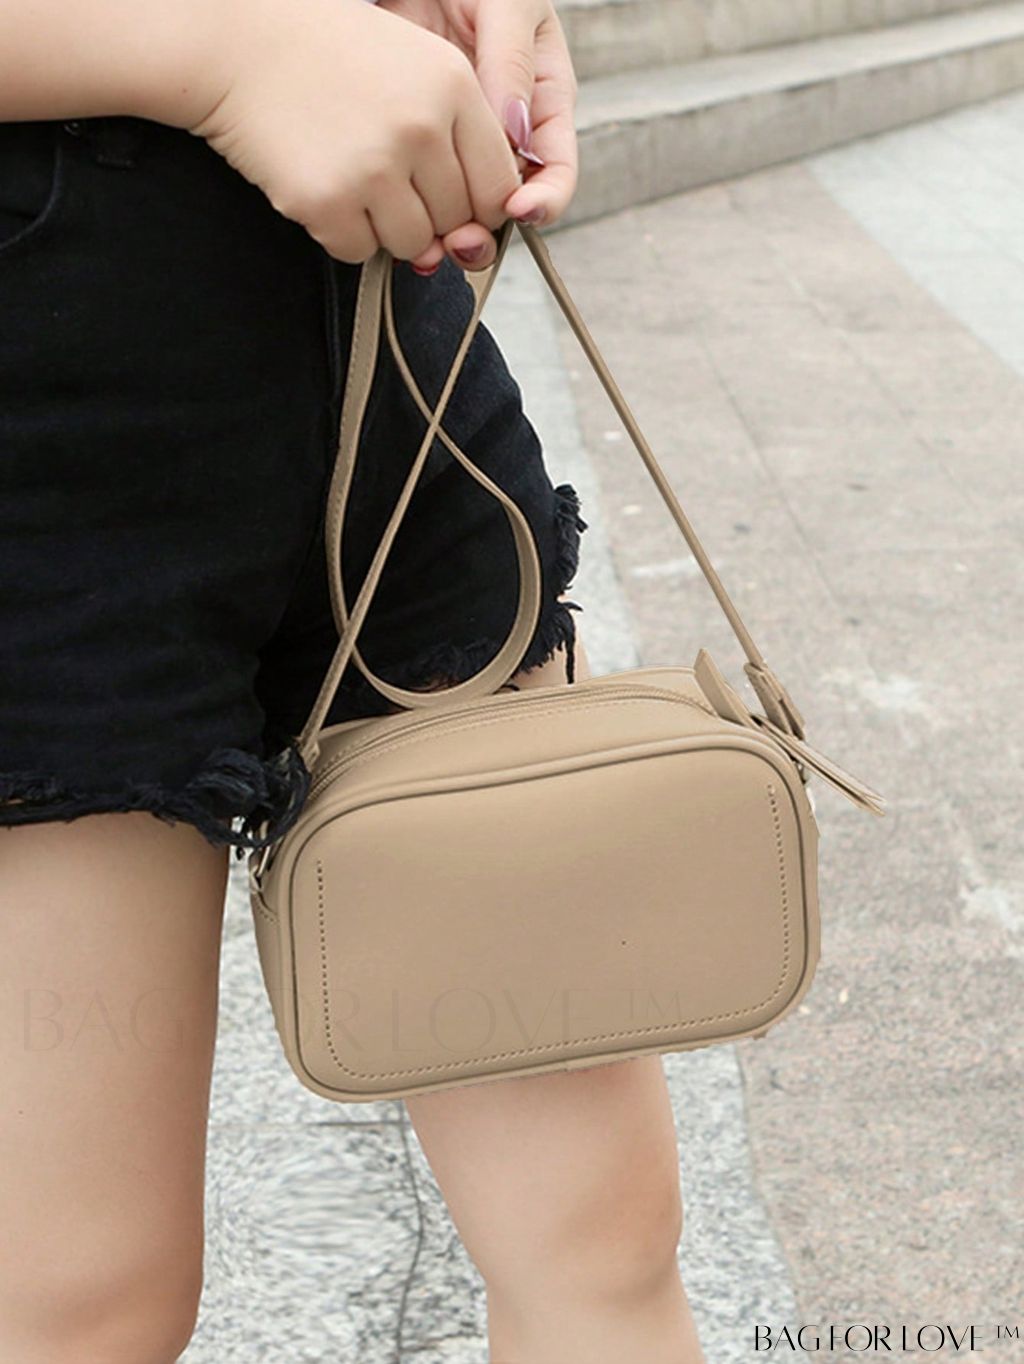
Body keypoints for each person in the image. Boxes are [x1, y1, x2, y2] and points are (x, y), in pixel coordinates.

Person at [0, 0, 706, 1359]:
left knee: (597, 1233)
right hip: (43, 388)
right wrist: (222, 49)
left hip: (378, 315)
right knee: (75, 1299)